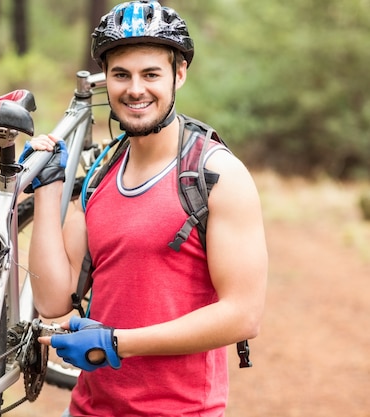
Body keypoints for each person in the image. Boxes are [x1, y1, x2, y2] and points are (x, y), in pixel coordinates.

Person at [25, 1, 268, 416]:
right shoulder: (103, 174)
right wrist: (51, 189)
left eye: (151, 74)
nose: (135, 89)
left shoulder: (216, 175)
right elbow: (53, 301)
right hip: (87, 408)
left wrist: (115, 343)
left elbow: (243, 315)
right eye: (121, 75)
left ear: (179, 74)